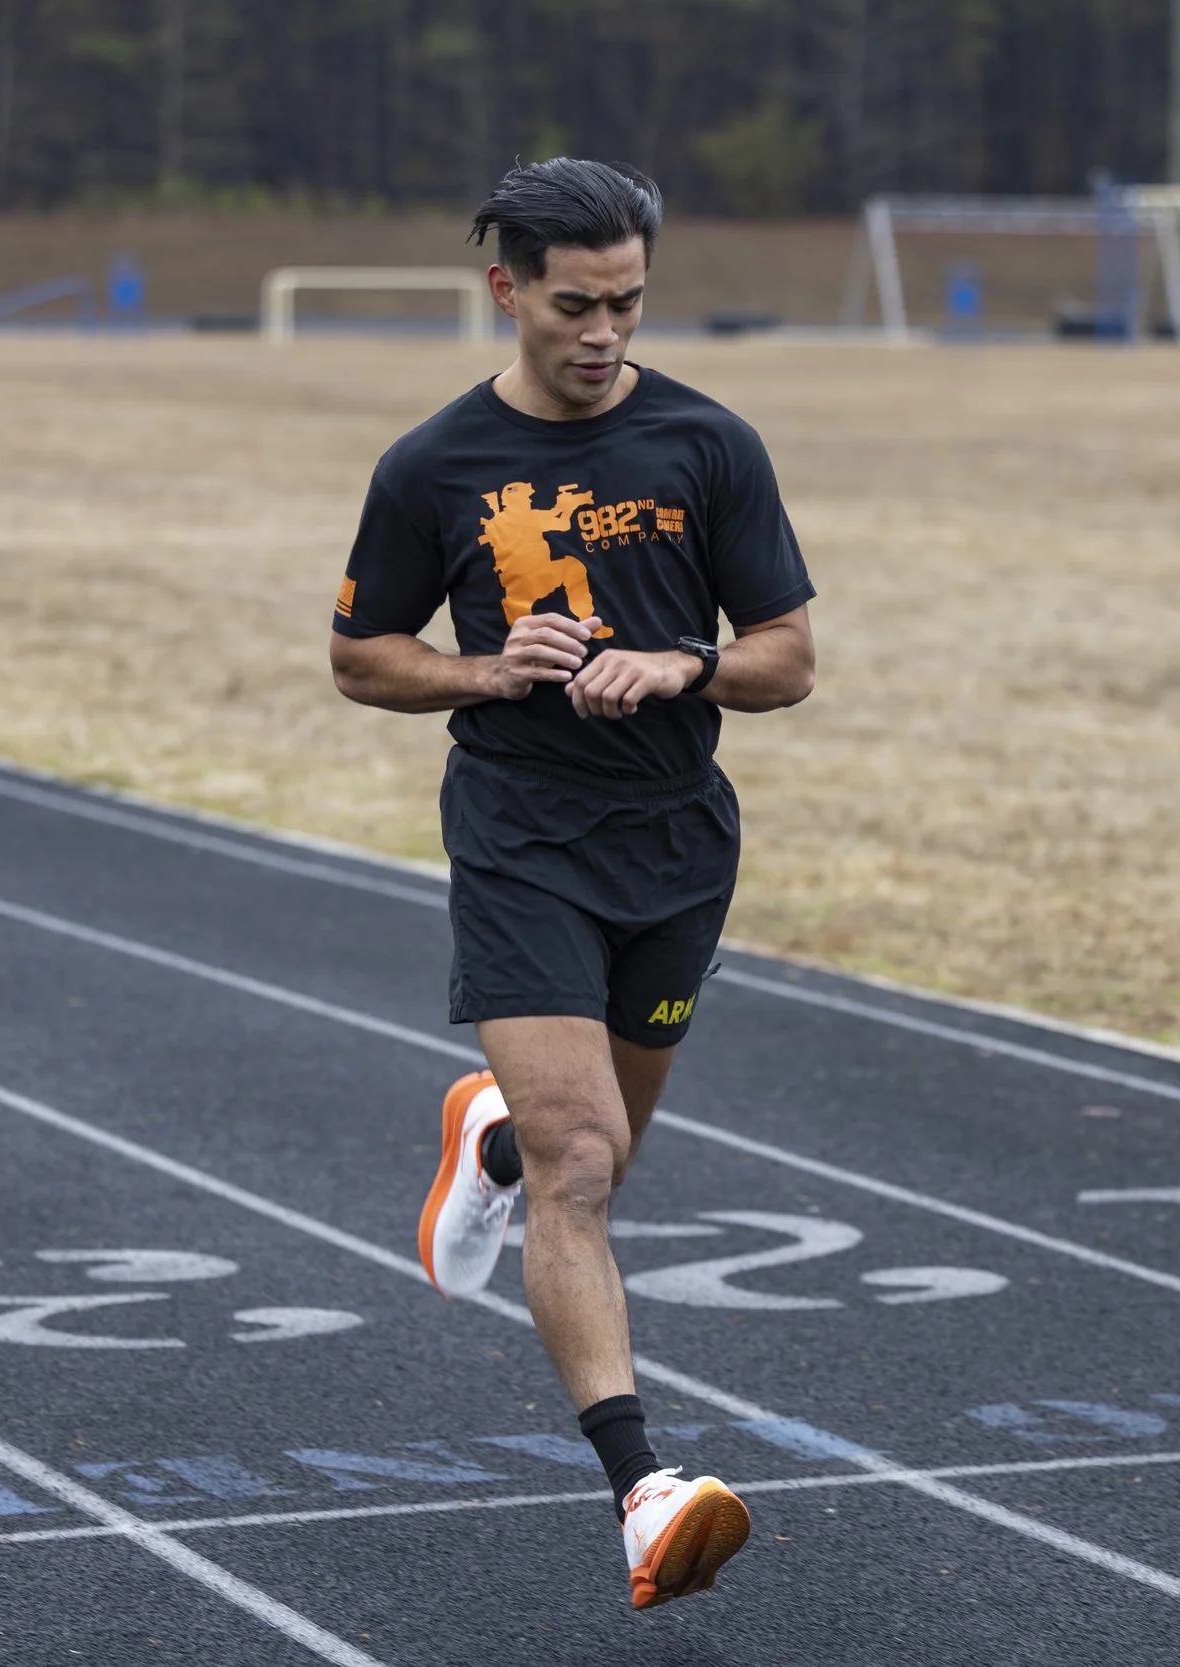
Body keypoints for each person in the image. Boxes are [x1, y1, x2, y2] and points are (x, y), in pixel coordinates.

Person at [329, 158, 816, 1610]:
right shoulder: (432, 468)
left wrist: (686, 662)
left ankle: (487, 1142)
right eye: (576, 303)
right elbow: (363, 655)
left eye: (628, 301)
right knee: (584, 1165)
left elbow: (789, 653)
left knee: (597, 1159)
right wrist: (490, 669)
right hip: (521, 833)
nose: (604, 330)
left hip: (676, 842)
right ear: (508, 291)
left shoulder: (708, 444)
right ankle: (641, 1485)